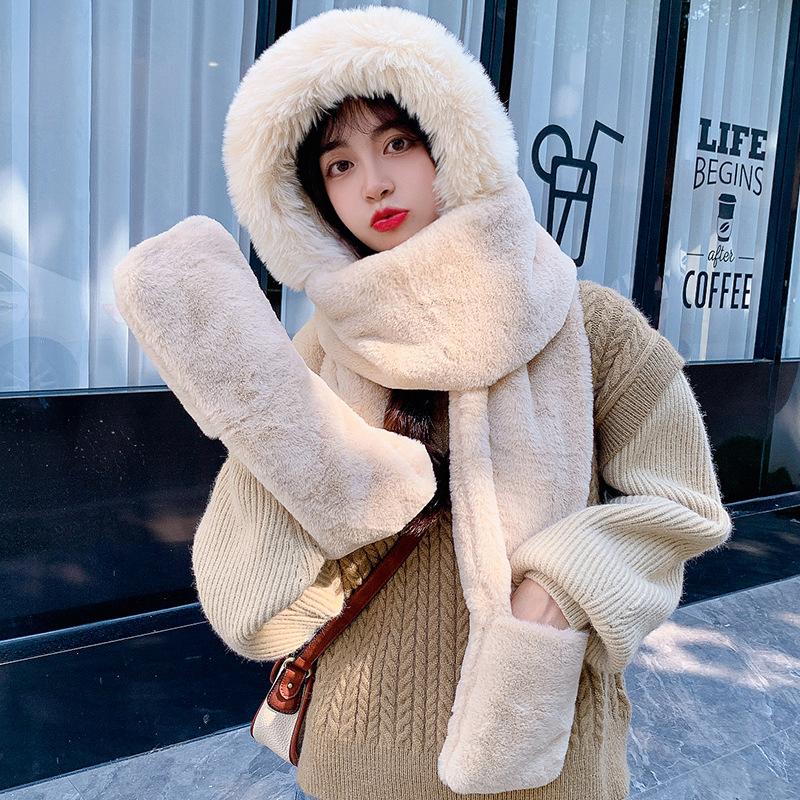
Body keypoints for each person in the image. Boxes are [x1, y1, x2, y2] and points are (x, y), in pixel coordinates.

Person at [113, 7, 731, 800]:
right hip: (358, 760)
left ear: (454, 142)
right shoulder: (320, 352)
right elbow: (258, 601)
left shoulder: (592, 326)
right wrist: (300, 460)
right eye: (339, 164)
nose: (373, 182)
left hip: (546, 755)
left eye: (399, 143)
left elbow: (682, 502)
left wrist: (563, 587)